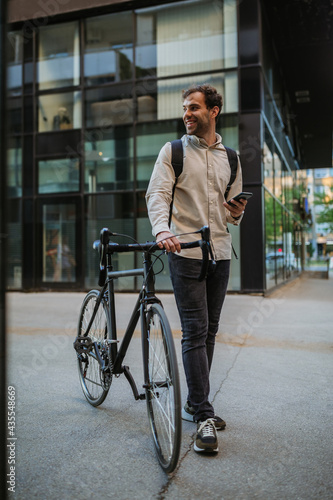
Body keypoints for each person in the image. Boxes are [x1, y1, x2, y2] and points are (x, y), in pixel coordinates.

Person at [145, 84, 248, 454]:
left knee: (210, 331)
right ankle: (203, 413)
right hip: (183, 251)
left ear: (214, 111)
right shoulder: (172, 151)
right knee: (194, 330)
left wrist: (236, 211)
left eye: (194, 108)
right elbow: (157, 194)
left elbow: (232, 210)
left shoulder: (232, 158)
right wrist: (161, 229)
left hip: (219, 252)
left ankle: (193, 401)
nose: (187, 114)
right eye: (184, 108)